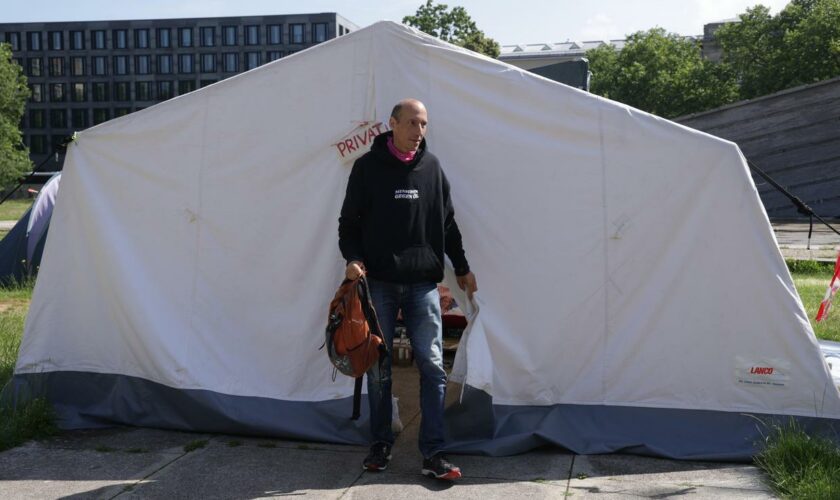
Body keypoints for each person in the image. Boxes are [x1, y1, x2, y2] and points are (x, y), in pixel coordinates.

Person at [338, 98, 477, 480]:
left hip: (422, 287)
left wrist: (462, 267)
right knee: (380, 368)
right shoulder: (367, 168)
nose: (420, 132)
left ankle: (433, 452)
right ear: (393, 125)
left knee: (432, 366)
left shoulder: (432, 168)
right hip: (378, 284)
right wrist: (352, 259)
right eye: (413, 123)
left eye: (425, 124)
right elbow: (348, 223)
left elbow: (447, 224)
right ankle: (380, 443)